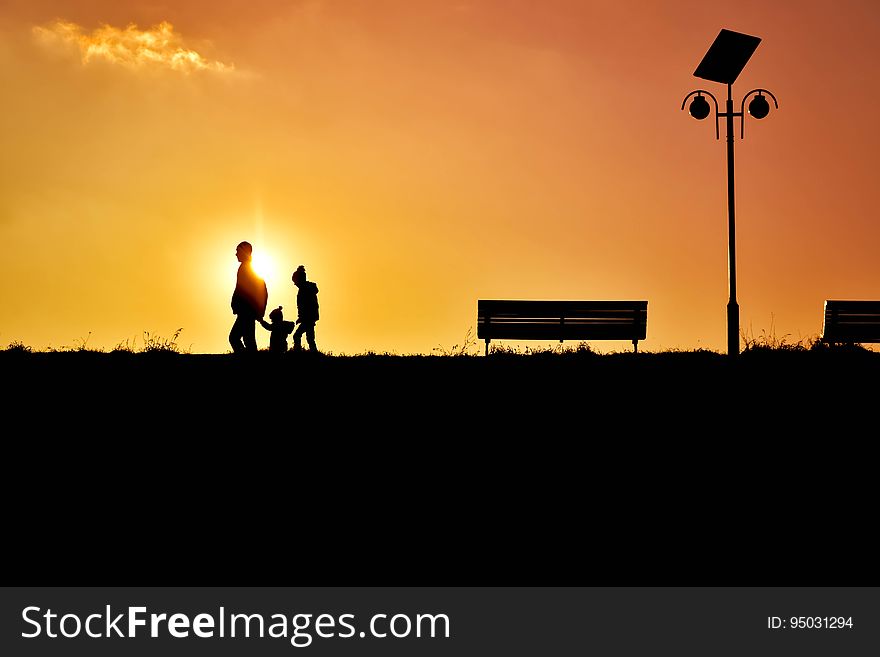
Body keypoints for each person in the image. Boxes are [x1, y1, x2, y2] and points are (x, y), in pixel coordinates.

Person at [229, 241, 268, 354]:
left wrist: (257, 310)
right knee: (248, 339)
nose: (236, 254)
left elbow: (256, 289)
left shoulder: (246, 269)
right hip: (247, 311)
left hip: (246, 311)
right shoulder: (246, 268)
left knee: (235, 338)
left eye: (237, 251)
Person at [291, 265, 319, 353]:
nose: (295, 284)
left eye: (295, 281)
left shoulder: (304, 291)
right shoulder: (309, 289)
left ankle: (298, 352)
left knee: (297, 336)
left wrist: (301, 317)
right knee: (310, 338)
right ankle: (314, 353)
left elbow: (304, 306)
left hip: (308, 318)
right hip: (310, 317)